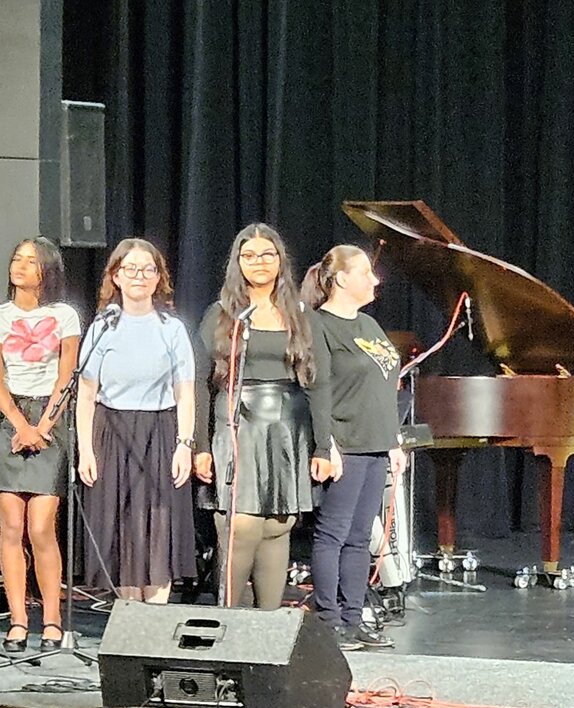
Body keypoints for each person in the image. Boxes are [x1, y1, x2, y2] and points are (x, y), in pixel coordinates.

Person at [192, 224, 317, 609]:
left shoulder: (300, 314)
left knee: (278, 524)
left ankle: (268, 627)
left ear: (281, 261)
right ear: (237, 263)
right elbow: (200, 383)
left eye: (267, 254)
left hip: (287, 427)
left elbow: (318, 380)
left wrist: (325, 445)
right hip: (238, 423)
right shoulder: (221, 314)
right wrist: (200, 446)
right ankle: (227, 622)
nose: (259, 262)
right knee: (240, 524)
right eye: (249, 256)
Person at [0, 237, 81, 653]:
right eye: (16, 258)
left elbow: (66, 377)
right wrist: (20, 424)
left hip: (50, 421)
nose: (19, 266)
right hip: (9, 421)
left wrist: (43, 425)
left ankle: (52, 619)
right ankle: (18, 620)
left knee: (40, 526)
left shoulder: (64, 315)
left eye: (30, 261)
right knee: (11, 526)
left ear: (47, 270)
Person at [78, 239, 198, 603]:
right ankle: (131, 616)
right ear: (115, 276)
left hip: (159, 432)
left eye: (148, 269)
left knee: (158, 524)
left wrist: (185, 444)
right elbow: (86, 394)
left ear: (159, 277)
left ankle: (156, 617)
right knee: (123, 527)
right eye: (130, 269)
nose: (139, 276)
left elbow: (185, 393)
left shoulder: (171, 328)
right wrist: (86, 450)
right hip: (112, 432)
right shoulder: (103, 326)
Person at [302, 244, 403, 650]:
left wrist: (393, 441)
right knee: (334, 533)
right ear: (342, 279)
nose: (375, 280)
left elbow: (383, 387)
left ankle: (353, 618)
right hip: (345, 444)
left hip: (376, 444)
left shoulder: (369, 325)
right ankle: (329, 621)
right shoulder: (318, 324)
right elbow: (318, 389)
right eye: (365, 273)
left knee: (360, 537)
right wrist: (325, 445)